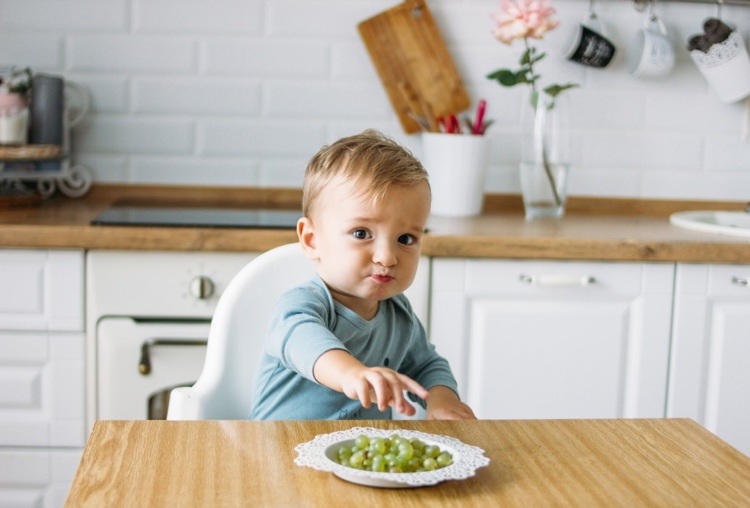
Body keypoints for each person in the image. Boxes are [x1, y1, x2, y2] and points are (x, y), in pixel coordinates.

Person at [250, 129, 475, 420]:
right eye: (361, 233)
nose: (387, 257)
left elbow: (426, 365)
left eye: (405, 239)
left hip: (360, 458)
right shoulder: (302, 306)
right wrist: (352, 374)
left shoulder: (399, 313)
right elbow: (304, 342)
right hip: (281, 452)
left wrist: (442, 400)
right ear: (311, 239)